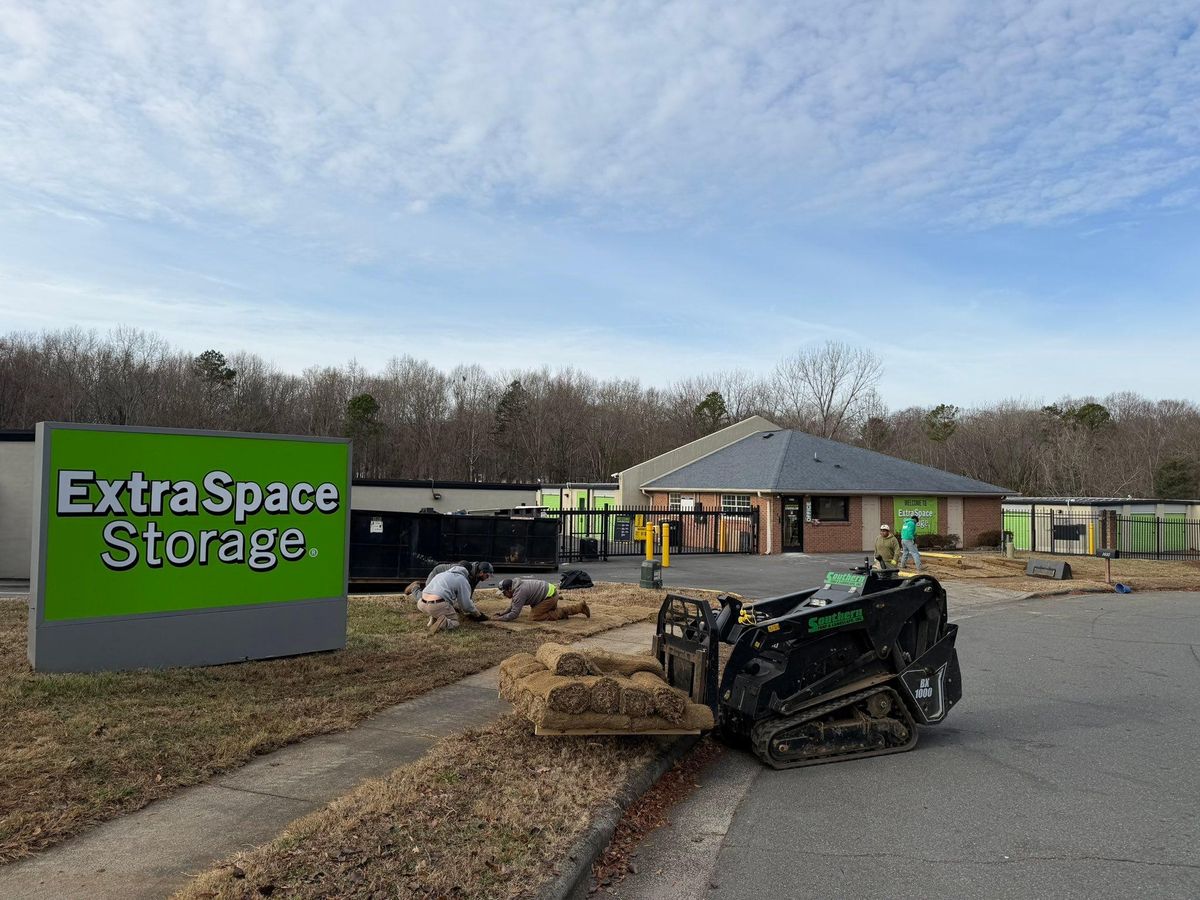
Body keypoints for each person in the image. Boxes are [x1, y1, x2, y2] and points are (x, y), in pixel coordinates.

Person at [418, 564, 489, 633]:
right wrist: (477, 613)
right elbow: (466, 605)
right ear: (467, 572)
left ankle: (434, 618)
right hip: (436, 605)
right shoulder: (462, 579)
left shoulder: (441, 574)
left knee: (440, 604)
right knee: (455, 623)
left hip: (421, 603)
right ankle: (443, 622)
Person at [493, 577, 590, 622]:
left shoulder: (519, 592)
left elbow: (514, 614)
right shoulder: (517, 586)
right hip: (548, 595)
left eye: (504, 593)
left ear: (510, 589)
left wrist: (499, 619)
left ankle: (578, 608)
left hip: (550, 597)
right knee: (541, 612)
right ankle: (576, 608)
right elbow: (514, 604)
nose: (504, 595)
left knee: (534, 617)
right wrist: (502, 613)